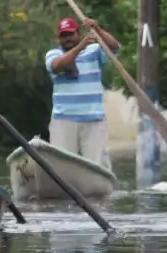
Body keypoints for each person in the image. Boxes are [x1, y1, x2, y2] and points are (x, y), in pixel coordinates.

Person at [45, 16, 120, 171]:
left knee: (97, 166)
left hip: (94, 119)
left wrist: (97, 29)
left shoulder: (94, 51)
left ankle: (98, 190)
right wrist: (79, 48)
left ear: (78, 34)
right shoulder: (53, 54)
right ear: (58, 38)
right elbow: (57, 66)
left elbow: (114, 47)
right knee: (61, 167)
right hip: (63, 120)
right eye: (63, 36)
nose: (67, 39)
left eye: (71, 34)